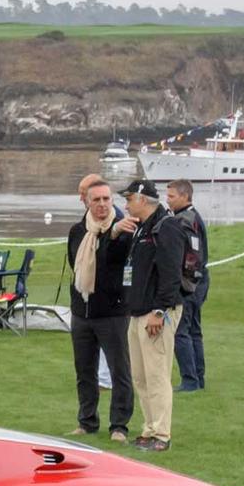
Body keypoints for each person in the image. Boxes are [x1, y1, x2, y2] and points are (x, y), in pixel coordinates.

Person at [118, 178, 185, 452]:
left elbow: (171, 273)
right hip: (137, 310)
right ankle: (148, 427)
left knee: (157, 373)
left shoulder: (166, 227)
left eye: (129, 199)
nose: (126, 204)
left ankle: (162, 433)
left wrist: (160, 310)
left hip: (157, 312)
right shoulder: (141, 228)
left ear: (142, 200)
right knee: (140, 375)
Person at [66, 178, 134, 443]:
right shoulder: (77, 231)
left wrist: (112, 235)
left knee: (120, 371)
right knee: (84, 371)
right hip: (82, 311)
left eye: (107, 199)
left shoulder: (123, 230)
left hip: (113, 312)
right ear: (87, 202)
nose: (103, 204)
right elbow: (75, 265)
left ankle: (119, 425)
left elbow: (112, 262)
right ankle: (87, 421)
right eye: (97, 200)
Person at [165, 180, 209, 391]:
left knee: (181, 330)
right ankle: (198, 378)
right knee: (193, 331)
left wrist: (185, 284)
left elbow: (192, 256)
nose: (168, 199)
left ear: (185, 196)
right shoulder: (190, 217)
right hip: (199, 281)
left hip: (190, 283)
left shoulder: (185, 219)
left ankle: (190, 379)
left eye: (172, 196)